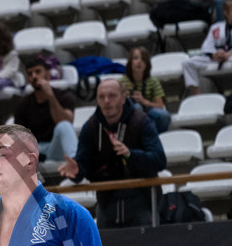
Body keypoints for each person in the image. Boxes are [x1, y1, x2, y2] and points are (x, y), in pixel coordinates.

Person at [58, 79, 167, 228]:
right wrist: (77, 171)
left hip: (141, 199)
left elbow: (160, 160)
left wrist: (131, 155)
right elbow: (83, 165)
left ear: (123, 98)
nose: (106, 101)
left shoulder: (141, 121)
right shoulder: (90, 127)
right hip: (107, 202)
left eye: (112, 95)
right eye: (101, 97)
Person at [13, 57, 78, 166]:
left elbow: (66, 122)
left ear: (47, 75)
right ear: (27, 79)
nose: (34, 76)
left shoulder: (64, 97)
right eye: (30, 74)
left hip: (56, 147)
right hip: (36, 152)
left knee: (64, 126)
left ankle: (77, 166)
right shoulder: (22, 104)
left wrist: (51, 97)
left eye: (38, 72)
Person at [183, 0, 232, 95]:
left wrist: (229, 53)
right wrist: (214, 54)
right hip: (215, 58)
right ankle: (196, 94)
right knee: (188, 63)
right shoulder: (215, 28)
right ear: (226, 13)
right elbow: (207, 45)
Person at [118, 47, 171, 134]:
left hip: (148, 111)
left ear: (147, 64)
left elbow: (160, 105)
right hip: (127, 117)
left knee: (164, 116)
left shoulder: (153, 81)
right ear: (130, 62)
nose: (139, 62)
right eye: (135, 58)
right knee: (136, 108)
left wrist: (144, 101)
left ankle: (155, 138)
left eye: (143, 59)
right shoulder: (121, 82)